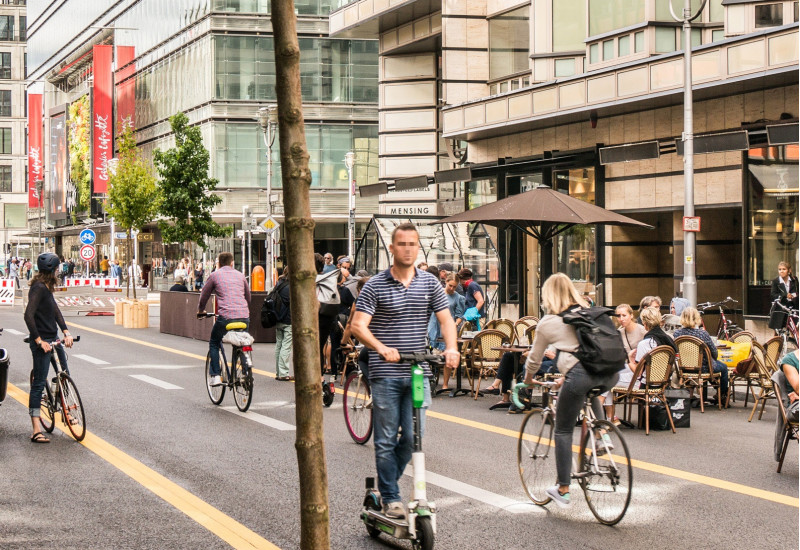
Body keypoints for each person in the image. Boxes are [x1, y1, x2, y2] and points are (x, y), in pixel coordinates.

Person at [351, 222, 459, 519]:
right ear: (392, 248)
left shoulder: (429, 283)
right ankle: (390, 496)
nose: (408, 249)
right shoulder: (375, 285)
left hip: (417, 369)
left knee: (414, 437)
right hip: (385, 372)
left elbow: (447, 320)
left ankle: (386, 486)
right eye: (402, 244)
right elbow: (358, 326)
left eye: (413, 244)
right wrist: (380, 347)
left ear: (418, 247)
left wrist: (452, 348)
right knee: (386, 437)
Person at [522, 272, 619, 508]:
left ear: (548, 295)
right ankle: (602, 435)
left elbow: (534, 360)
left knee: (563, 430)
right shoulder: (589, 312)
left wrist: (528, 380)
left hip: (580, 375)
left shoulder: (548, 323)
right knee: (588, 388)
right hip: (611, 373)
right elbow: (585, 352)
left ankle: (563, 489)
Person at [24, 253, 74, 443]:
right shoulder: (38, 289)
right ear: (53, 271)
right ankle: (36, 429)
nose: (59, 272)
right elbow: (28, 316)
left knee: (65, 373)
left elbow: (54, 310)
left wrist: (66, 332)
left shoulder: (46, 287)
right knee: (38, 384)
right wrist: (38, 341)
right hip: (42, 342)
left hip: (53, 338)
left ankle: (61, 402)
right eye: (57, 269)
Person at [197, 252, 251, 387]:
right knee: (241, 342)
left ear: (218, 264)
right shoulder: (240, 276)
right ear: (232, 263)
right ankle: (245, 372)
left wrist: (200, 310)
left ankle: (215, 375)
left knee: (214, 342)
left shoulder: (215, 275)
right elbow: (248, 297)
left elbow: (204, 295)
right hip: (244, 317)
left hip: (226, 318)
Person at [674, 306, 729, 405]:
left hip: (685, 368)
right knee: (723, 368)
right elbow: (714, 352)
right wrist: (712, 359)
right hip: (704, 368)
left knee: (714, 367)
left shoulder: (677, 334)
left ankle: (709, 395)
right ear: (697, 318)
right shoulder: (702, 334)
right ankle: (722, 395)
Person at [430, 273, 465, 392]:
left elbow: (460, 315)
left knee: (447, 355)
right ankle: (431, 381)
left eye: (454, 287)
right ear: (446, 282)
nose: (452, 288)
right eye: (450, 285)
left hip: (447, 328)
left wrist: (454, 324)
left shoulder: (458, 297)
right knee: (430, 354)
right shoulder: (437, 294)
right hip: (434, 326)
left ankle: (445, 383)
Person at [274, 266, 294, 381]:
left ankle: (278, 371)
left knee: (279, 345)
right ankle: (283, 373)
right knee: (286, 346)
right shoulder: (291, 287)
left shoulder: (279, 283)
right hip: (288, 319)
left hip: (278, 318)